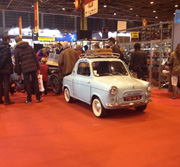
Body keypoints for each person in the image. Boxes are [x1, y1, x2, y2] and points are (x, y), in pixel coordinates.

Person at [14, 36, 42, 104]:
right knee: (35, 82)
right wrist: (38, 68)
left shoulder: (17, 49)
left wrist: (19, 73)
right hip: (33, 67)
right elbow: (35, 58)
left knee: (27, 83)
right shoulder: (29, 46)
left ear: (16, 42)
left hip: (25, 68)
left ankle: (29, 99)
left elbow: (17, 62)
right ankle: (38, 98)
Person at [0, 35, 14, 105]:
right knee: (6, 84)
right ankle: (7, 100)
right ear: (7, 40)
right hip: (5, 68)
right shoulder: (6, 47)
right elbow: (5, 58)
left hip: (1, 68)